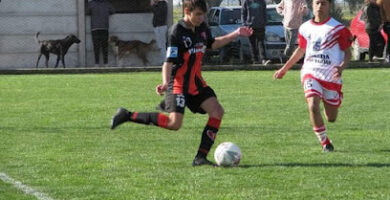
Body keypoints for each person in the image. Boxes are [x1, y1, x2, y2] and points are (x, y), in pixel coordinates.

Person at [110, 0, 253, 166]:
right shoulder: (177, 32)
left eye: (203, 14)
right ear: (187, 11)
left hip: (197, 84)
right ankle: (127, 115)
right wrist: (165, 83)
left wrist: (236, 33)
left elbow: (212, 44)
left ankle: (200, 158)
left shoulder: (201, 28)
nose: (201, 18)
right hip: (178, 84)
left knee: (217, 111)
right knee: (174, 124)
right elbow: (168, 62)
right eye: (198, 14)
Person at [273, 0, 352, 152]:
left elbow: (348, 52)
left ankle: (325, 99)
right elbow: (301, 50)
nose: (320, 7)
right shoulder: (305, 27)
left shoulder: (339, 28)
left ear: (329, 6)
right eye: (317, 3)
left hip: (331, 76)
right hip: (311, 71)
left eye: (323, 3)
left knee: (331, 118)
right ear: (312, 5)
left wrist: (341, 67)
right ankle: (325, 143)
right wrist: (284, 69)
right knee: (312, 105)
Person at [241, 0, 270, 65]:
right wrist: (244, 25)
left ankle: (263, 59)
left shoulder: (262, 2)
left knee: (261, 43)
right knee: (252, 44)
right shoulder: (246, 2)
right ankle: (255, 60)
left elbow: (264, 12)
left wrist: (265, 22)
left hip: (260, 26)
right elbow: (243, 13)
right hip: (250, 26)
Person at [87, 0, 114, 67]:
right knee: (105, 46)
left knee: (96, 46)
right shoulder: (107, 3)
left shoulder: (91, 3)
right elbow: (112, 11)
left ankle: (96, 64)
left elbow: (87, 12)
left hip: (95, 28)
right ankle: (106, 63)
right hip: (104, 27)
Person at [151, 0, 168, 65]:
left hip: (160, 26)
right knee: (160, 44)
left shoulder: (163, 4)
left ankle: (164, 60)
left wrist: (153, 5)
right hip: (158, 26)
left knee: (162, 44)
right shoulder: (160, 4)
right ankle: (162, 60)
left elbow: (158, 13)